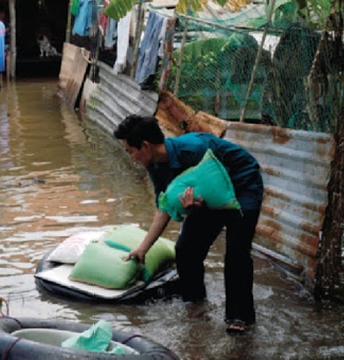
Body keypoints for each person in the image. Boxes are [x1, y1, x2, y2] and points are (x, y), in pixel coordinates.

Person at [113, 115, 264, 334]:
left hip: (243, 185)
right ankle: (195, 303)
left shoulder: (194, 150)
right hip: (209, 197)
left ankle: (240, 317)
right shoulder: (155, 166)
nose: (131, 157)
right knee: (185, 250)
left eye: (130, 151)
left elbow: (216, 188)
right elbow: (163, 207)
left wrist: (202, 204)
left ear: (145, 146)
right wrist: (143, 248)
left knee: (236, 252)